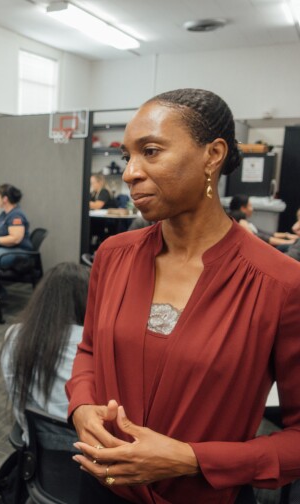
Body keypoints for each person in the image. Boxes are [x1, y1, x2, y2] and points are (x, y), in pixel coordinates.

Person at [66, 89, 300, 504]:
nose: (129, 172)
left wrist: (192, 458)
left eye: (151, 152)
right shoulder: (113, 256)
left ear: (213, 155)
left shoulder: (280, 284)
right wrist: (82, 407)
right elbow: (88, 351)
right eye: (127, 157)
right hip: (102, 485)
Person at [0, 262, 89, 444]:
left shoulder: (16, 335)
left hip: (37, 448)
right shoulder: (94, 344)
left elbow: (16, 395)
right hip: (93, 454)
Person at [228, 194, 298, 249]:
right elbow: (258, 237)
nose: (252, 209)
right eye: (250, 206)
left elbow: (263, 233)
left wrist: (286, 235)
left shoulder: (241, 221)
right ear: (243, 208)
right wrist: (288, 242)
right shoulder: (241, 222)